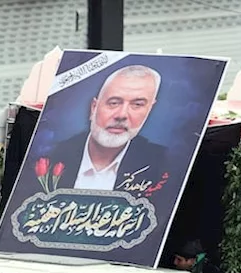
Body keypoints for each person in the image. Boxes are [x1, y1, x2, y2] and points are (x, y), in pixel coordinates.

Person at [30, 66, 167, 193]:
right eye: (114, 103)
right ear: (94, 108)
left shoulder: (165, 164)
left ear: (149, 110)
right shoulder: (48, 158)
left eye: (137, 105)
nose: (122, 115)